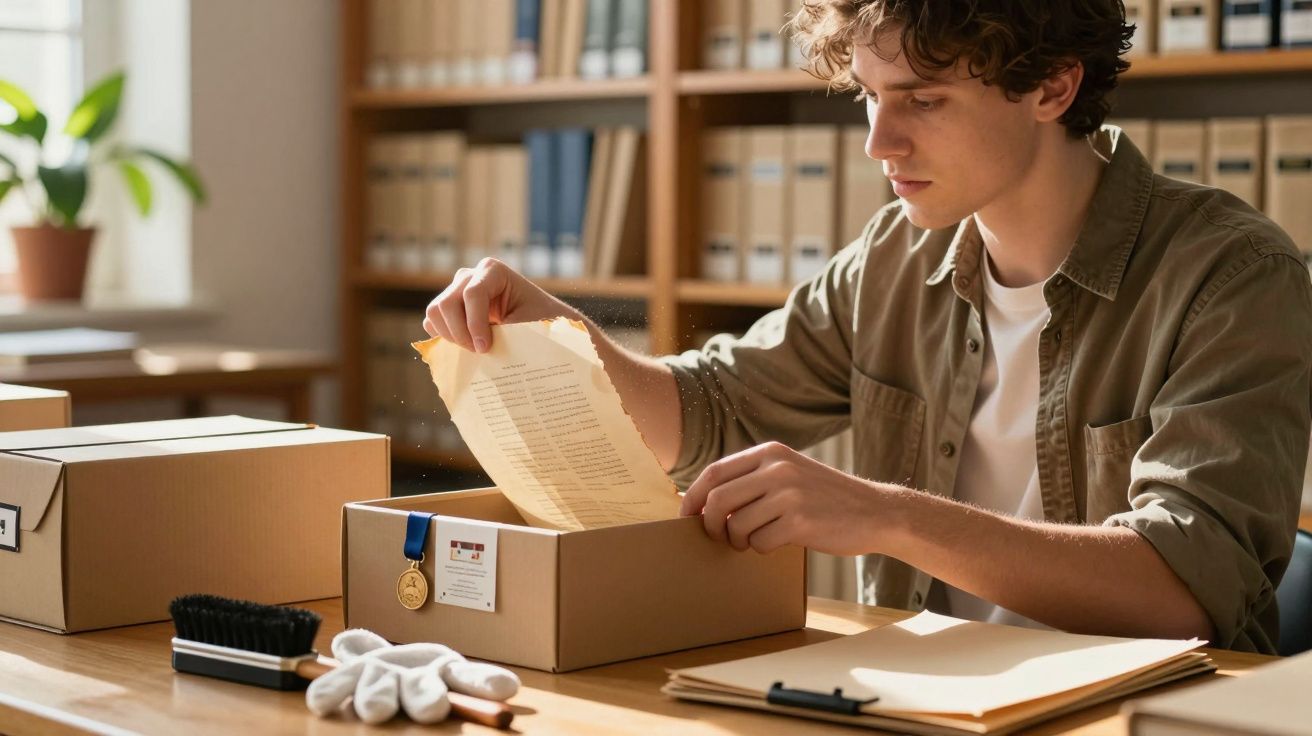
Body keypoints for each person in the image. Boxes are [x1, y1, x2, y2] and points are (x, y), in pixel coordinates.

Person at [422, 0, 1312, 653]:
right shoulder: (894, 253)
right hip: (911, 694)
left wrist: (883, 516)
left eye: (922, 102)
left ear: (1053, 86)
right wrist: (556, 335)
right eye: (869, 97)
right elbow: (711, 409)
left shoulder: (1233, 277)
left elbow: (1185, 588)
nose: (879, 144)